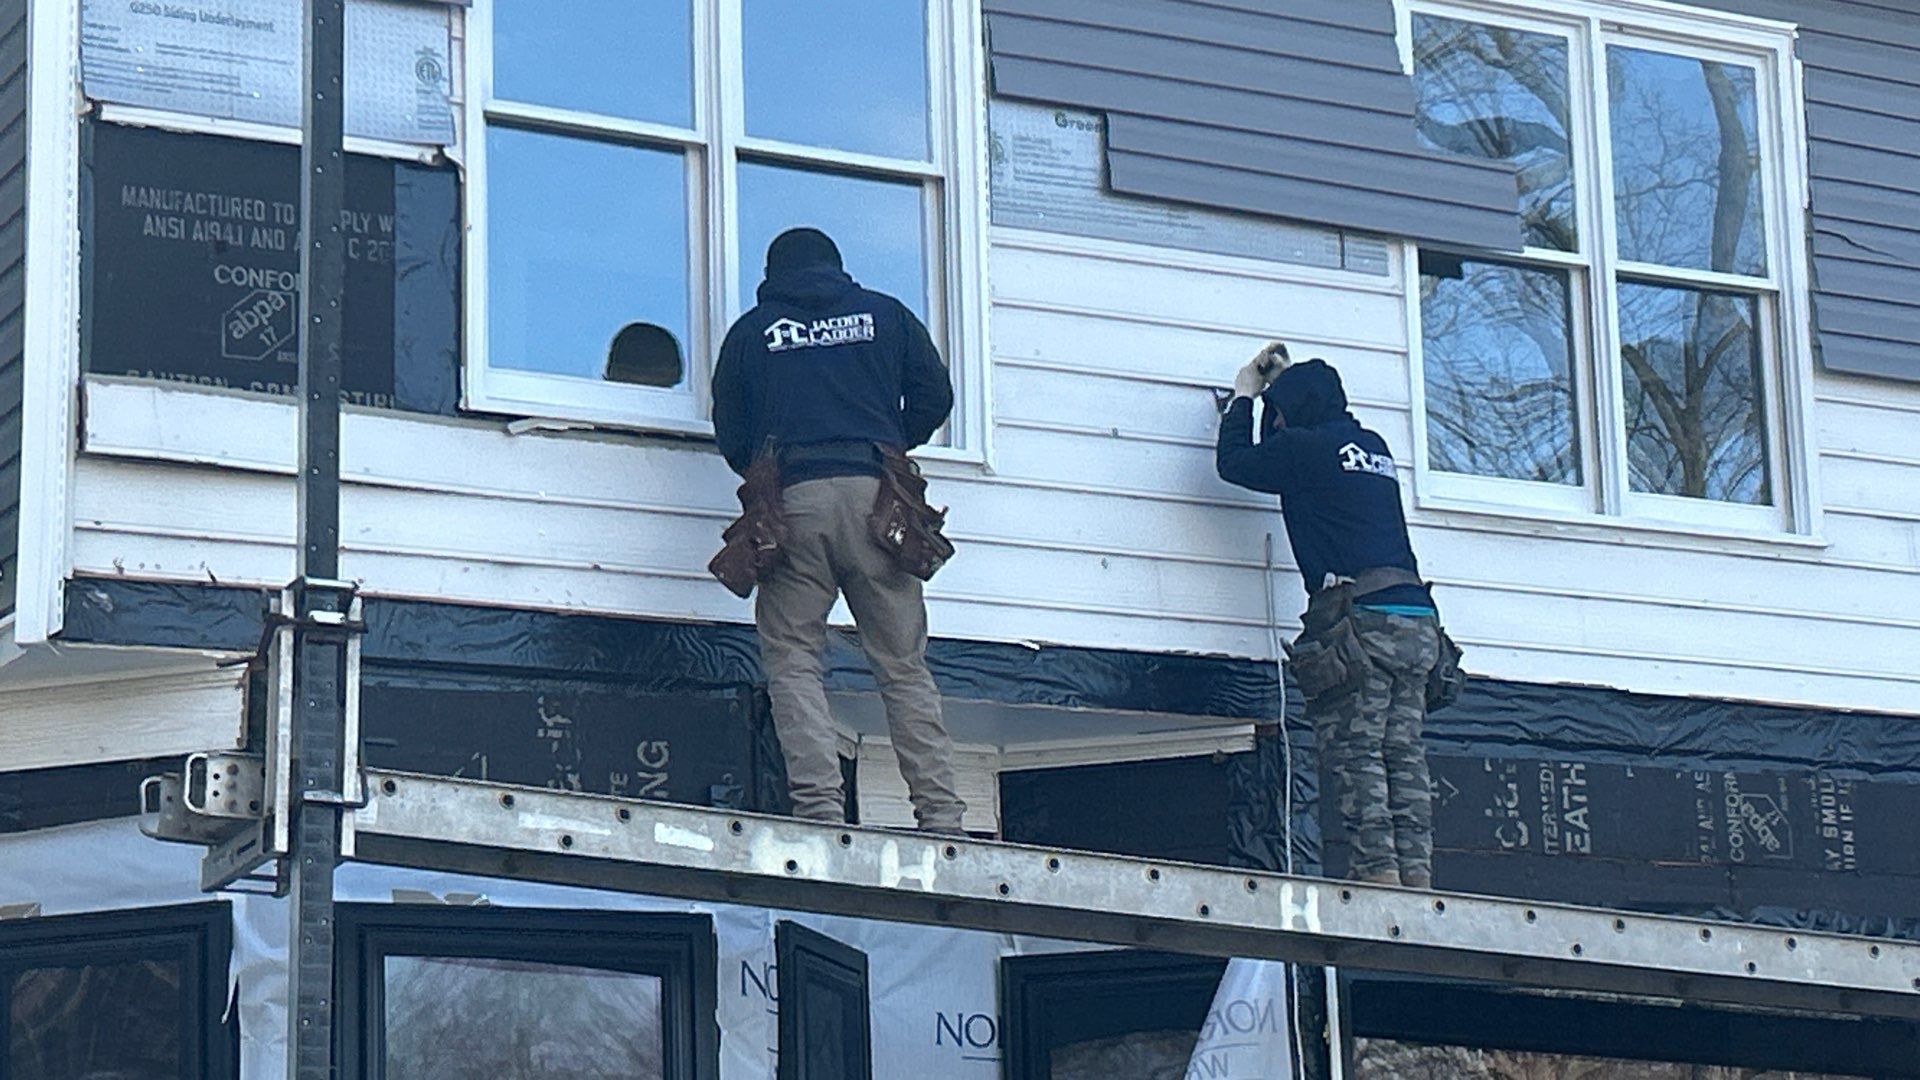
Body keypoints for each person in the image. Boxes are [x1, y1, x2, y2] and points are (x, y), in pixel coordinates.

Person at [711, 227, 966, 835]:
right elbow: (936, 396)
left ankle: (821, 812)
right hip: (879, 504)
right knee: (902, 666)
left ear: (772, 274)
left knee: (795, 660)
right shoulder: (885, 315)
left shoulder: (752, 332)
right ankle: (942, 815)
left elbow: (731, 432)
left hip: (793, 505)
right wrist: (887, 441)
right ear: (838, 265)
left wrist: (770, 466)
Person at [1215, 344, 1446, 888]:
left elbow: (1236, 465)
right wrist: (1289, 392)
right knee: (1403, 752)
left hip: (1361, 623)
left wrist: (1244, 397)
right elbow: (1304, 454)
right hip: (1418, 621)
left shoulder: (1305, 449)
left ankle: (1379, 876)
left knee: (1358, 747)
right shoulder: (1371, 446)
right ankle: (1416, 876)